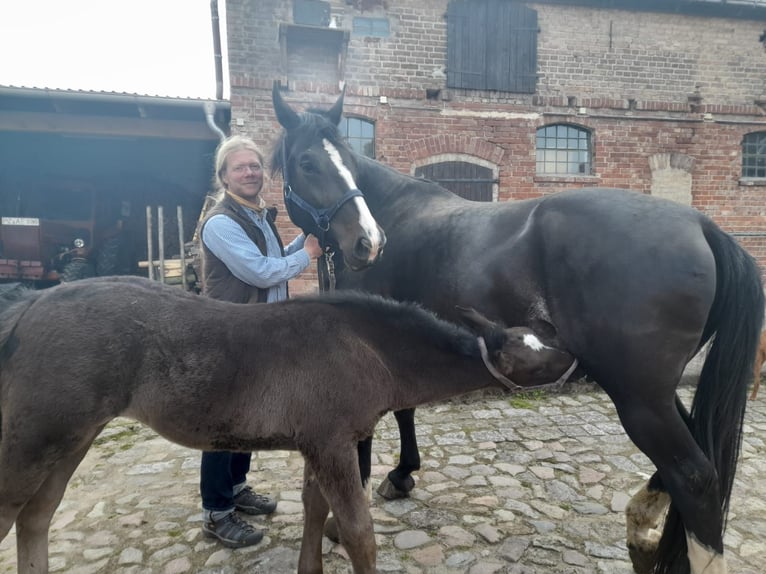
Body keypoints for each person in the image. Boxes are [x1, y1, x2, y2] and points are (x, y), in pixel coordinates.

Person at [197, 135, 323, 548]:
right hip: (232, 335)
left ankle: (236, 488)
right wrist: (307, 256)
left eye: (254, 166)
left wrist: (301, 241)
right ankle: (216, 512)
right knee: (222, 424)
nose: (250, 172)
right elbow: (261, 272)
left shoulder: (257, 215)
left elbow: (270, 257)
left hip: (260, 333)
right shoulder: (220, 222)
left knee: (247, 420)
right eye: (240, 167)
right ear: (224, 176)